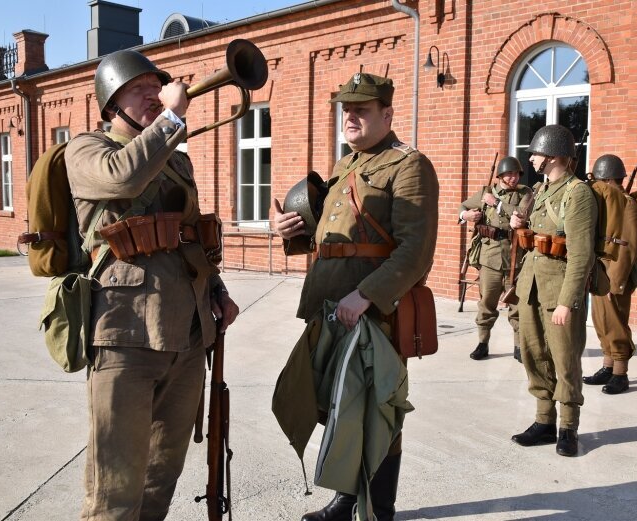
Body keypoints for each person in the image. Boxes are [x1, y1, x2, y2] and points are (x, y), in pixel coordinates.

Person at [65, 49, 239, 520]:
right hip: (124, 338)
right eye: (138, 87)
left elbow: (193, 236)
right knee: (116, 483)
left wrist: (217, 290)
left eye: (154, 85)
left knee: (162, 473)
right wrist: (171, 118)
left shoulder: (173, 161)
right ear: (110, 101)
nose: (153, 93)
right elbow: (122, 178)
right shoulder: (86, 149)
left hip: (186, 333)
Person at [272, 72, 438, 521]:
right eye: (347, 109)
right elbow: (334, 236)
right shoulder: (347, 165)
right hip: (331, 307)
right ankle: (347, 501)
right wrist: (291, 233)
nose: (351, 117)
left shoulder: (408, 165)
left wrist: (366, 295)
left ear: (387, 114)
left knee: (378, 409)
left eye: (361, 109)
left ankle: (379, 509)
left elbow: (416, 250)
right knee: (340, 406)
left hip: (374, 314)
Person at [509, 124, 596, 457]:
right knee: (534, 354)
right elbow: (538, 238)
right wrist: (521, 226)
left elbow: (581, 254)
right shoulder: (542, 190)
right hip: (531, 284)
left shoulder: (577, 193)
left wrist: (567, 302)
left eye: (536, 153)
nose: (530, 159)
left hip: (559, 289)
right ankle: (544, 421)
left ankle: (568, 428)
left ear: (555, 155)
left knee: (565, 358)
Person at [458, 157, 532, 362]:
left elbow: (521, 215)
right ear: (499, 176)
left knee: (517, 305)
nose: (514, 177)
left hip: (515, 257)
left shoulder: (525, 193)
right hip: (489, 257)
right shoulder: (485, 192)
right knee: (486, 303)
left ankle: (519, 346)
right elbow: (462, 206)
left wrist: (496, 203)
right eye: (509, 174)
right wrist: (467, 216)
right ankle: (483, 343)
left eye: (517, 174)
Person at [585, 154, 637, 394]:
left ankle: (620, 374)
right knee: (602, 321)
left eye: (600, 181)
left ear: (609, 179)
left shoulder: (628, 204)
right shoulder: (610, 202)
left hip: (617, 274)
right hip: (602, 272)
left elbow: (627, 247)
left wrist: (616, 283)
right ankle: (608, 367)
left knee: (617, 324)